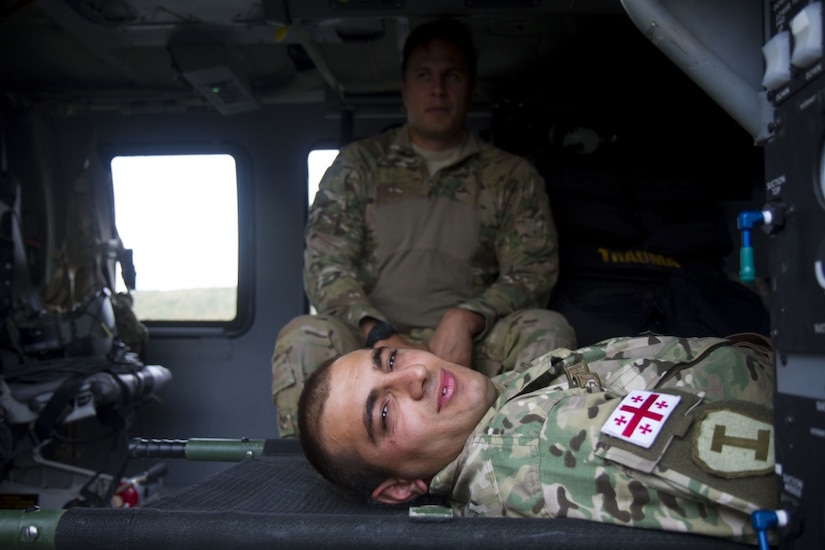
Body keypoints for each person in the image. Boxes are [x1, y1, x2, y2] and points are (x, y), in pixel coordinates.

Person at [271, 17, 576, 437]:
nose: (437, 89)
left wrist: (469, 316)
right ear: (404, 87)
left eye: (452, 76)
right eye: (424, 75)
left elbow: (534, 269)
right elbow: (326, 264)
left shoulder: (509, 175)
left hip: (472, 346)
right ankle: (315, 483)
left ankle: (521, 466)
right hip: (370, 346)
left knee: (546, 327)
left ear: (470, 87)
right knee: (304, 335)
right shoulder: (358, 166)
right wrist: (378, 334)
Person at [298, 333, 777, 545]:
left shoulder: (496, 403)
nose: (417, 375)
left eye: (391, 360)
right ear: (400, 488)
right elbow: (786, 479)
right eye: (385, 412)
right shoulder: (529, 447)